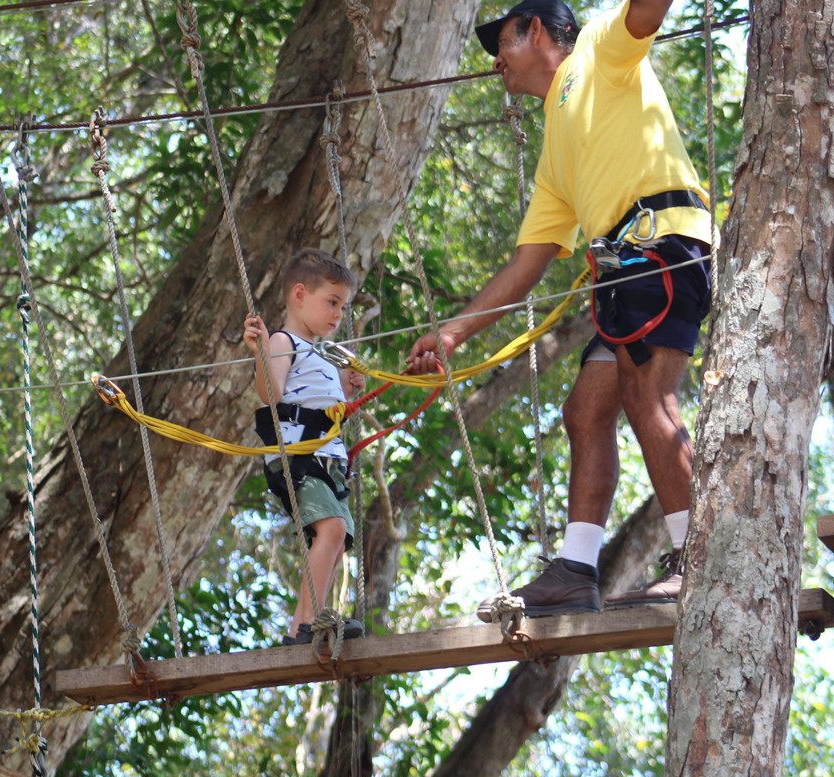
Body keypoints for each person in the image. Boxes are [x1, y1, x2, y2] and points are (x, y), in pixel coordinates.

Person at [407, 0, 713, 619]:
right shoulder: (556, 148)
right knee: (585, 409)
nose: (496, 62)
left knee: (645, 394)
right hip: (627, 271)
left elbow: (646, 11)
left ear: (539, 30)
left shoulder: (600, 48)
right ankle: (576, 568)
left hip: (664, 248)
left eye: (503, 43)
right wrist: (451, 335)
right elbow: (527, 265)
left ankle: (699, 563)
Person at [244, 248, 367, 645]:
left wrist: (345, 389)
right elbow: (270, 392)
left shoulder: (323, 356)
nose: (338, 314)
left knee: (338, 537)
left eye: (343, 306)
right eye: (332, 302)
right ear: (299, 295)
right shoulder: (283, 341)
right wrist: (262, 352)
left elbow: (318, 405)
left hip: (325, 461)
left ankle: (303, 626)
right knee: (330, 529)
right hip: (299, 458)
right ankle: (312, 620)